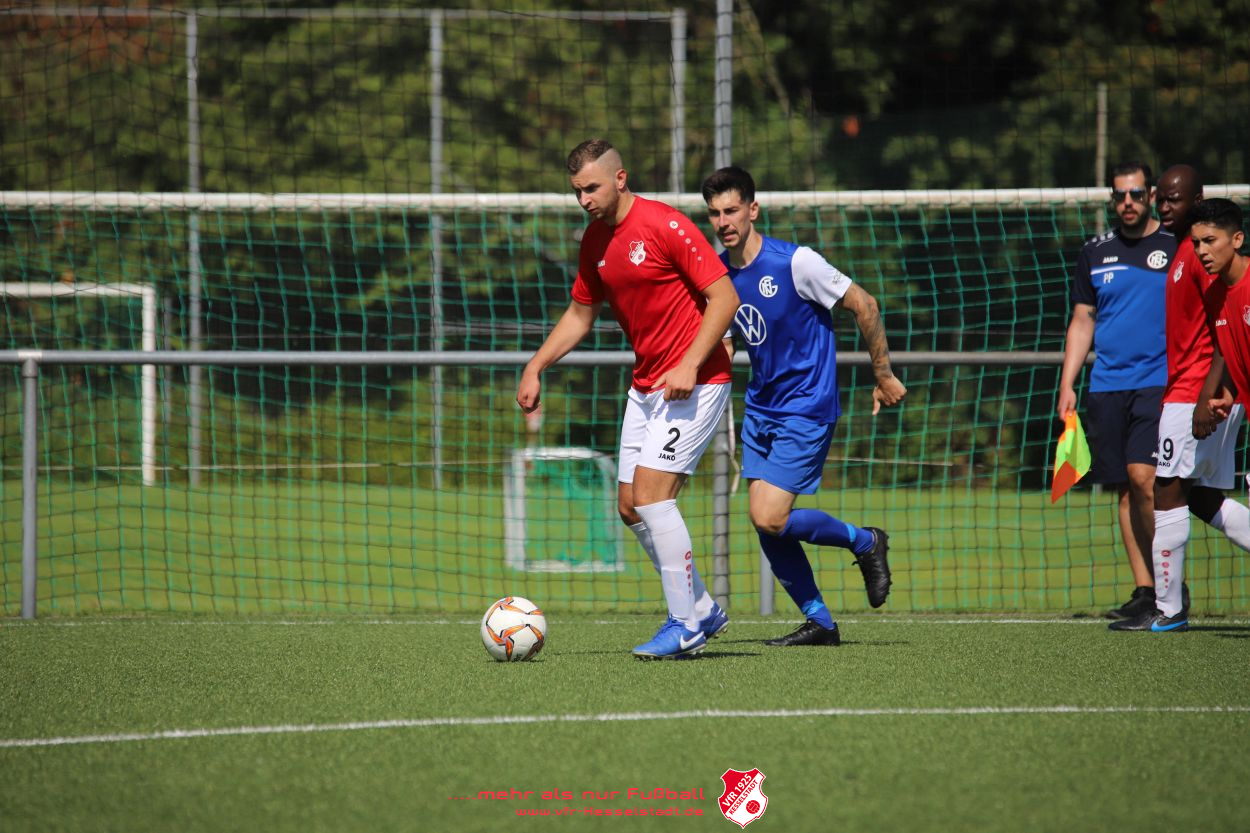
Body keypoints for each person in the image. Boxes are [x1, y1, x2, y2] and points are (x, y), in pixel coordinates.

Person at [516, 139, 740, 660]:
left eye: (591, 188)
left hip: (698, 380)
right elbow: (581, 313)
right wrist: (535, 365)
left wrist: (690, 363)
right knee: (630, 507)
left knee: (654, 497)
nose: (584, 199)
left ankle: (684, 625)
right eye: (577, 191)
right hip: (646, 386)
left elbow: (725, 297)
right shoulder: (594, 240)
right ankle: (702, 608)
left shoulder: (665, 224)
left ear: (620, 178)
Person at [701, 166, 906, 646]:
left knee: (769, 517)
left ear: (753, 210)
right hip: (761, 408)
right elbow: (725, 342)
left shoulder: (797, 263)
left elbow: (865, 304)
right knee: (765, 522)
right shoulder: (719, 275)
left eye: (731, 210)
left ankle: (865, 541)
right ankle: (821, 623)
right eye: (714, 213)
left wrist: (882, 374)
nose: (723, 221)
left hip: (806, 406)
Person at [1109, 169, 1250, 632]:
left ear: (1198, 200)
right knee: (1201, 496)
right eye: (1162, 200)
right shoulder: (1187, 249)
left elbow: (1221, 326)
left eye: (1176, 199)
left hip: (1195, 391)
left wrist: (1210, 393)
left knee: (1166, 488)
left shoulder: (1200, 257)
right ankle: (1168, 606)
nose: (1166, 207)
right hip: (1196, 390)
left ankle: (1168, 610)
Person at [1057, 161, 1174, 621]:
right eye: (1120, 195)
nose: (1128, 202)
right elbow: (1082, 320)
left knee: (1146, 479)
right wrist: (1068, 383)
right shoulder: (1094, 251)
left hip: (1158, 381)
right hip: (1107, 385)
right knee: (1125, 490)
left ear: (1151, 196)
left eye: (1136, 194)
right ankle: (1145, 590)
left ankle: (1169, 586)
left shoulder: (1176, 245)